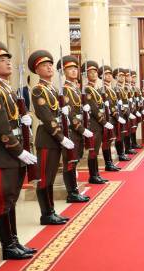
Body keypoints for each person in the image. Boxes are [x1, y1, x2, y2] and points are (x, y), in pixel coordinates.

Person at [0, 40, 38, 258]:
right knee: (3, 201)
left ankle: (15, 242)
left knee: (11, 200)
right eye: (2, 60)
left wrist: (25, 121)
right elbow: (1, 128)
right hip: (3, 154)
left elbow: (12, 120)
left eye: (8, 59)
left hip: (13, 152)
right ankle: (8, 247)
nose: (8, 63)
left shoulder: (9, 91)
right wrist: (19, 150)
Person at [30, 49, 75, 225]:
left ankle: (51, 211)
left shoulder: (52, 89)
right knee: (44, 178)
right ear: (37, 70)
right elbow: (47, 118)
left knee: (49, 176)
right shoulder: (38, 90)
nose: (49, 67)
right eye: (44, 65)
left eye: (50, 65)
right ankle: (46, 214)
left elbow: (57, 113)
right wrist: (61, 136)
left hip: (55, 138)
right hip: (48, 138)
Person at [57, 55, 92, 203]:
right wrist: (81, 128)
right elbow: (70, 113)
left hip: (78, 130)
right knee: (70, 161)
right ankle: (72, 192)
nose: (74, 71)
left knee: (75, 160)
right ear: (64, 72)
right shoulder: (65, 89)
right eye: (70, 69)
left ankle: (74, 189)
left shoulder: (76, 89)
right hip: (72, 130)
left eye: (75, 69)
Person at [82, 60, 112, 184]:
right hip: (94, 124)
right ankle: (93, 175)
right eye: (90, 72)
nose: (94, 74)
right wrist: (103, 121)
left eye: (95, 72)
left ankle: (96, 174)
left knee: (96, 150)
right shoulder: (87, 89)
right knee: (93, 151)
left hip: (98, 124)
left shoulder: (94, 89)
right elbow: (93, 108)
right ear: (85, 74)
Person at [99, 64, 123, 171]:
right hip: (108, 118)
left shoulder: (112, 89)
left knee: (110, 141)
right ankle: (108, 163)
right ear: (101, 76)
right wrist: (116, 116)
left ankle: (110, 163)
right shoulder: (102, 90)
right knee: (106, 142)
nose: (108, 76)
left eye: (109, 74)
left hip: (113, 118)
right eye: (106, 74)